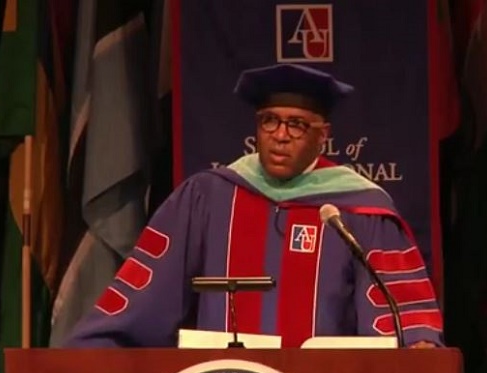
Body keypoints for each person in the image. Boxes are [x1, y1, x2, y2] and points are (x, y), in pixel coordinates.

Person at [62, 63, 443, 349]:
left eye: (296, 125)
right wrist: (99, 345)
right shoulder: (207, 198)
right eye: (269, 121)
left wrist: (417, 339)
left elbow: (398, 309)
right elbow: (148, 287)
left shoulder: (357, 209)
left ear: (322, 136)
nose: (280, 135)